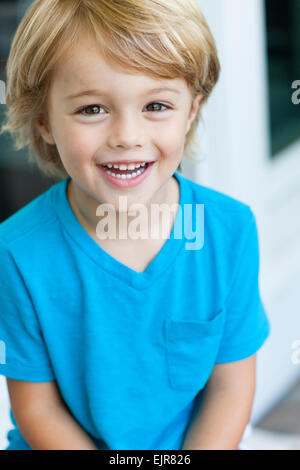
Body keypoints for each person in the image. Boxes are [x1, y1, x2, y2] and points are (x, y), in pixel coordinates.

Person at [0, 0, 270, 450]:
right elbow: (36, 407)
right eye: (91, 110)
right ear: (44, 120)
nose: (127, 136)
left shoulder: (229, 231)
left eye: (157, 105)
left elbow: (230, 386)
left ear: (191, 110)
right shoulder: (16, 250)